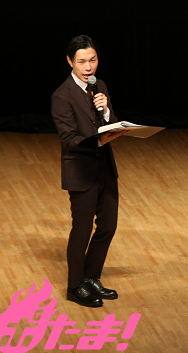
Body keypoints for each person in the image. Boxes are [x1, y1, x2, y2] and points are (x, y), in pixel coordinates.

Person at [51, 35, 129, 307]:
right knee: (82, 230)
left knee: (108, 226)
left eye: (92, 60)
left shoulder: (100, 86)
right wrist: (96, 140)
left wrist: (106, 111)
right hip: (81, 171)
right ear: (70, 61)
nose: (88, 67)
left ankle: (91, 277)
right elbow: (68, 139)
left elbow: (112, 123)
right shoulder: (62, 96)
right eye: (82, 61)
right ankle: (75, 286)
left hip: (105, 168)